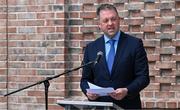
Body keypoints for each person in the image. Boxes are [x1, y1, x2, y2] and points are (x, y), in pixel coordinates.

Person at [80, 3, 150, 109]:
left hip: (128, 105)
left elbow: (143, 77)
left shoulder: (134, 44)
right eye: (105, 20)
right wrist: (87, 92)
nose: (110, 23)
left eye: (113, 19)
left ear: (119, 20)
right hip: (100, 106)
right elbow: (85, 79)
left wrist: (127, 90)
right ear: (99, 24)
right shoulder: (91, 48)